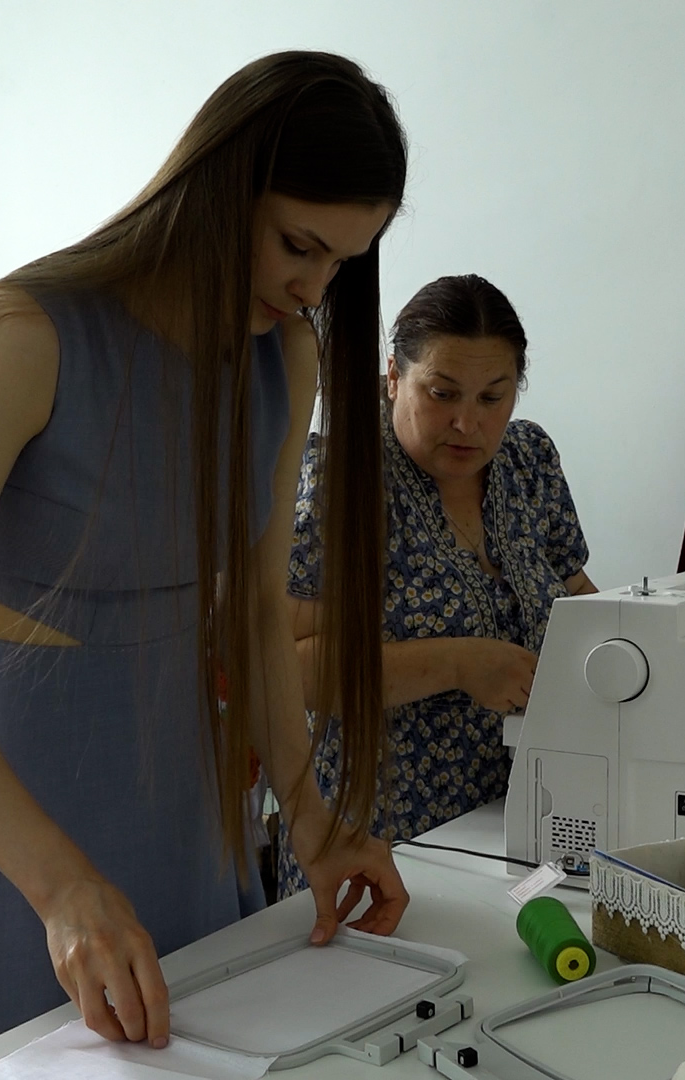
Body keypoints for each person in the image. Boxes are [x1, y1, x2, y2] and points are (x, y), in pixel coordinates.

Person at [0, 52, 410, 1080]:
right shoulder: (20, 335)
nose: (312, 287)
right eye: (298, 245)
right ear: (218, 186)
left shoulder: (282, 356)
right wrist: (63, 890)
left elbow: (256, 614)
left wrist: (311, 811)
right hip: (18, 848)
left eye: (340, 263)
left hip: (190, 831)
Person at [276, 274, 596, 895]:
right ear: (394, 376)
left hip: (520, 821)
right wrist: (457, 663)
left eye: (492, 397)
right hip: (377, 840)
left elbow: (580, 598)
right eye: (442, 393)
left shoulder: (528, 460)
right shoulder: (341, 480)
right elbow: (290, 671)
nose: (466, 423)